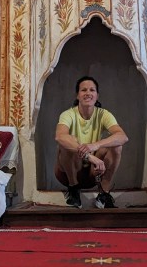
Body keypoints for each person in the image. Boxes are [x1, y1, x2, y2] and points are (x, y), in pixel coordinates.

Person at [54, 75, 128, 209]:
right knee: (68, 141)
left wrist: (95, 145)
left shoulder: (103, 114)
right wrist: (90, 156)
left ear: (97, 95)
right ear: (77, 95)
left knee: (117, 146)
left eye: (92, 90)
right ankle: (74, 190)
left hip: (93, 174)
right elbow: (59, 137)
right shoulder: (68, 114)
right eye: (84, 90)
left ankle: (104, 194)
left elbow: (123, 137)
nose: (88, 93)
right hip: (68, 172)